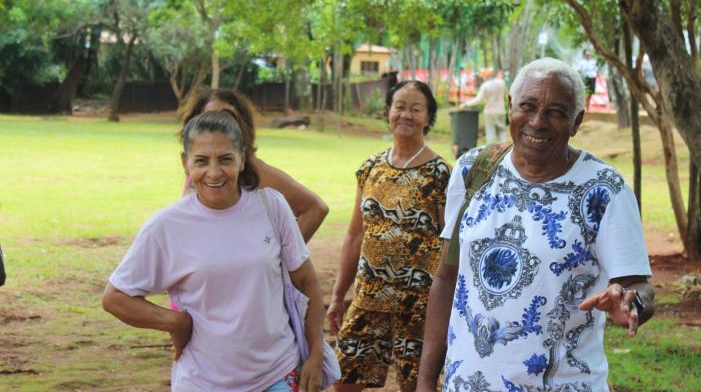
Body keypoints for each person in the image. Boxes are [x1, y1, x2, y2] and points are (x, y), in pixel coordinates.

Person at [417, 58, 655, 392]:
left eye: (556, 112)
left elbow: (638, 286)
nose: (538, 122)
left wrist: (632, 302)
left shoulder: (604, 189)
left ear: (577, 121)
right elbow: (446, 277)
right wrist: (426, 381)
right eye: (527, 107)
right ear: (510, 108)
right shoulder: (473, 169)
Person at [102, 110, 326, 391]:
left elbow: (307, 282)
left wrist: (316, 354)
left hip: (277, 374)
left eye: (225, 159)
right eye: (201, 161)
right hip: (203, 381)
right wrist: (175, 322)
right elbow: (115, 297)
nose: (214, 172)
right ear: (185, 163)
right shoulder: (166, 226)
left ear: (242, 158)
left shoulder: (272, 207)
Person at [327, 80, 451, 391]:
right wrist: (337, 295)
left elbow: (451, 242)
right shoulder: (371, 168)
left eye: (415, 109)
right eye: (399, 107)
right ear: (388, 112)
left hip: (419, 305)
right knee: (343, 379)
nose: (406, 115)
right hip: (369, 298)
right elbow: (355, 235)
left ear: (428, 117)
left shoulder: (439, 173)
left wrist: (451, 305)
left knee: (416, 386)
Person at [179, 88, 328, 243]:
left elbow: (315, 208)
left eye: (227, 117)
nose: (220, 124)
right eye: (211, 117)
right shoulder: (198, 167)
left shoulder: (252, 170)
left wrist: (283, 259)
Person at [461, 69, 507, 145]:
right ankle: (505, 150)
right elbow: (506, 95)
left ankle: (490, 152)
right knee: (501, 131)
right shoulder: (501, 83)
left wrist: (466, 104)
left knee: (490, 132)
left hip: (489, 111)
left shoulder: (485, 85)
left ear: (485, 76)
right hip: (501, 110)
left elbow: (478, 100)